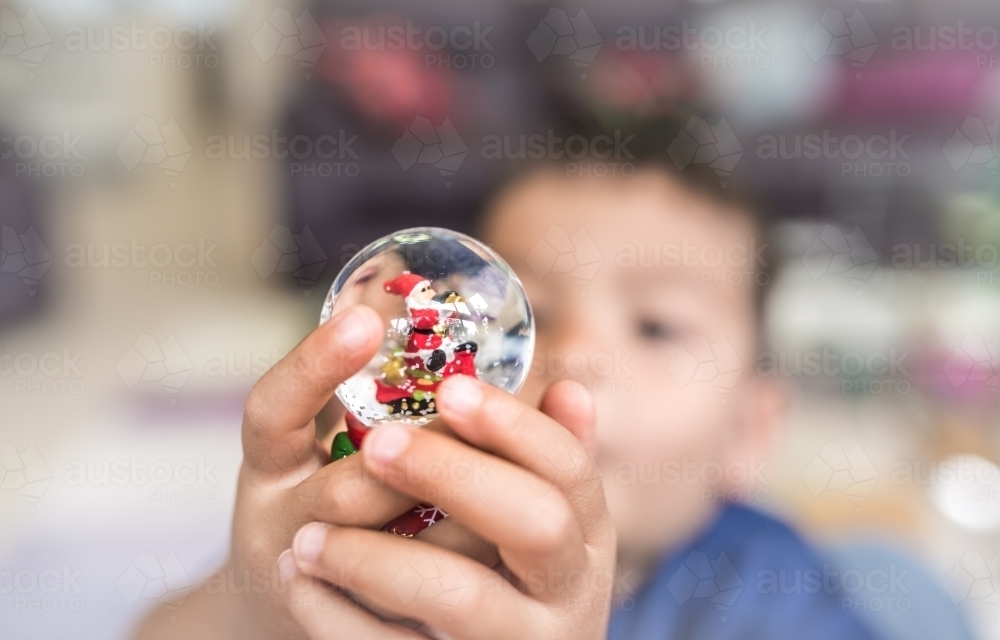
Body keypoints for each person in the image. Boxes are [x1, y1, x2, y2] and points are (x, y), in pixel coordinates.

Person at [133, 160, 882, 640]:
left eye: (656, 325)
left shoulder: (773, 592)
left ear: (748, 432)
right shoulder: (397, 530)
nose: (578, 352)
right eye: (536, 312)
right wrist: (261, 608)